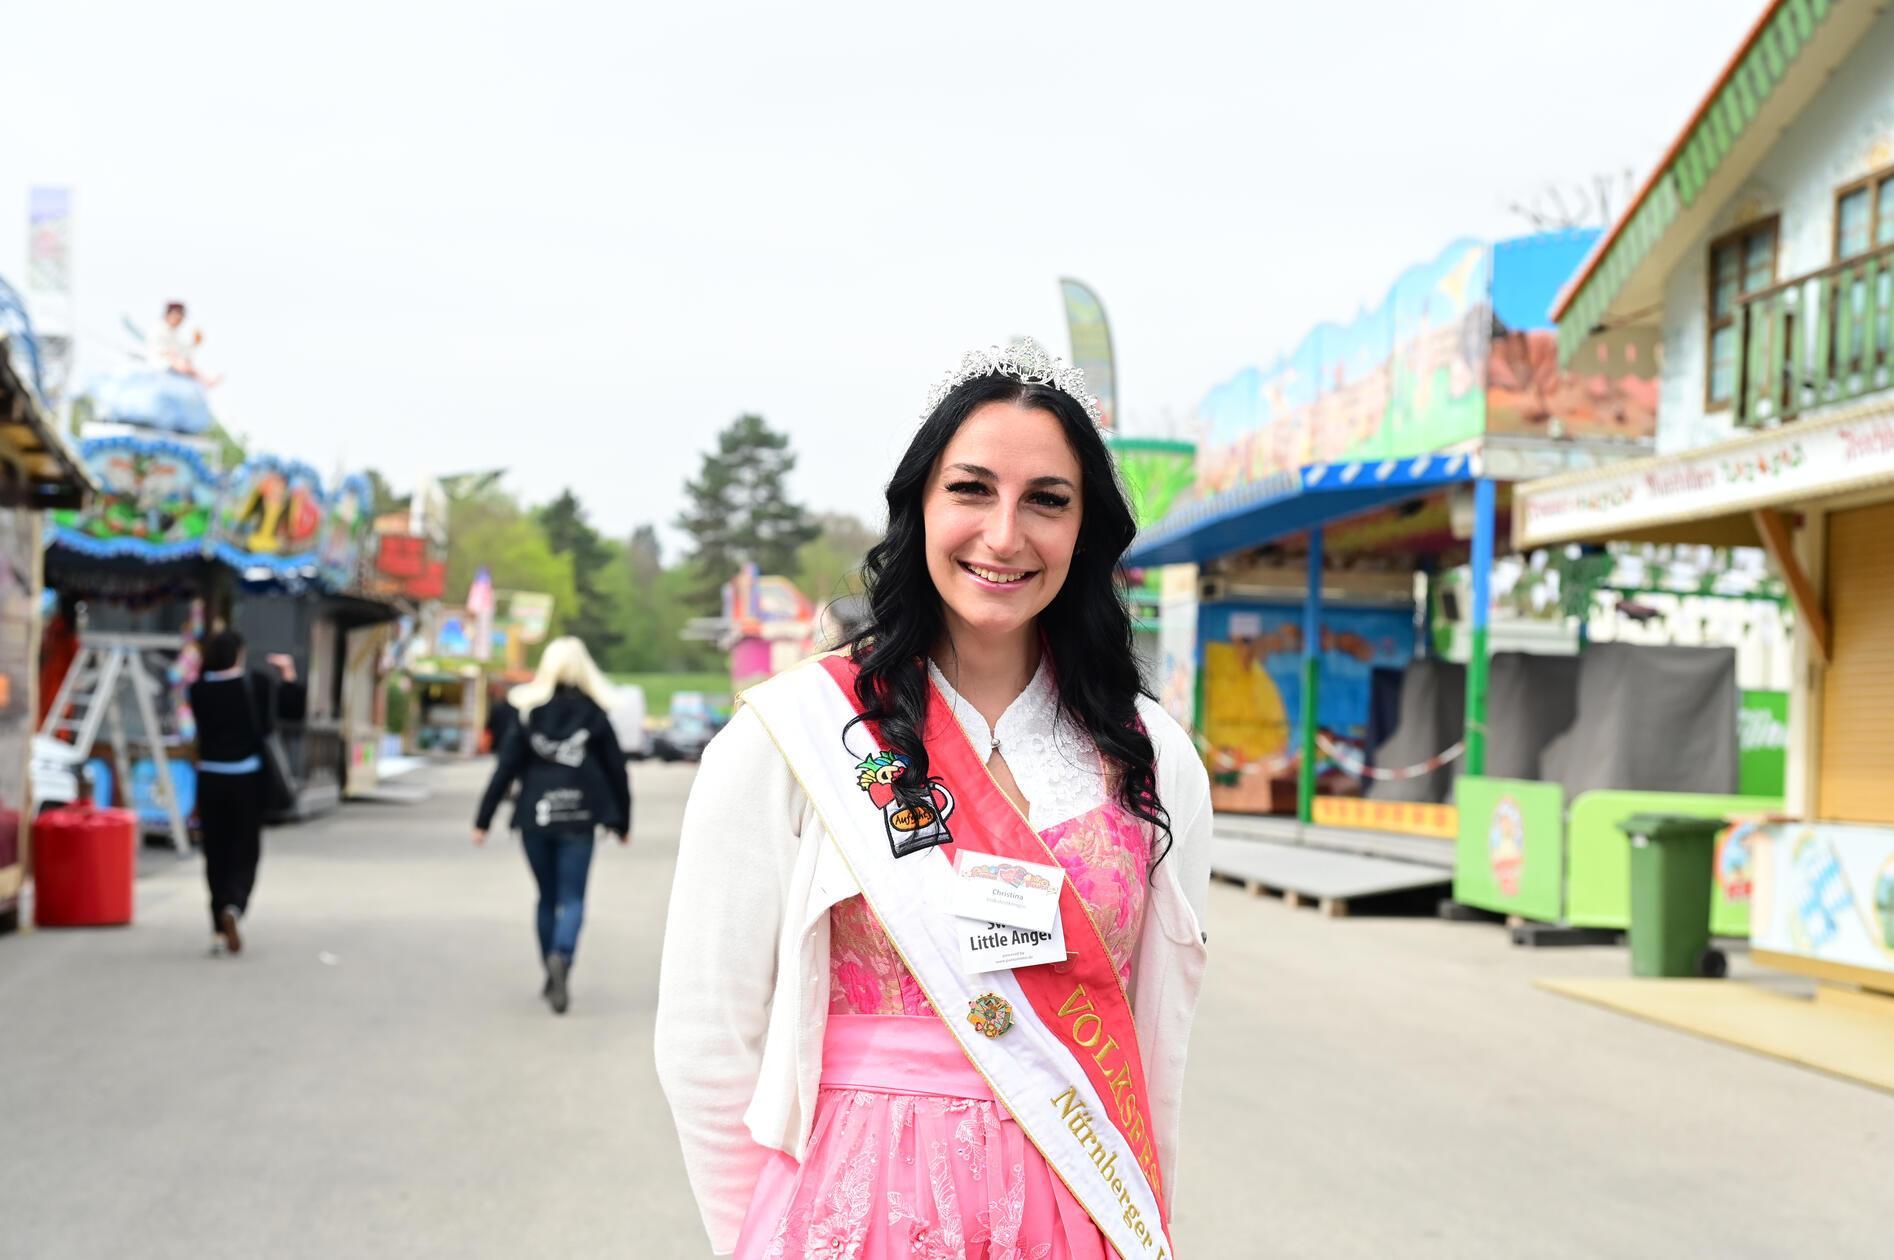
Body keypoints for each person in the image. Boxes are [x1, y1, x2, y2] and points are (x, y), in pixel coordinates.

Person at [655, 339, 1213, 1259]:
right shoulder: (794, 735)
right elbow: (704, 1039)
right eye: (971, 489)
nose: (1005, 534)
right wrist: (757, 1237)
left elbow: (1157, 1049)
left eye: (1047, 499)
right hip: (851, 1217)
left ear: (1088, 530)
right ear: (919, 504)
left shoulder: (1153, 756)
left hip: (1071, 1217)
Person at [473, 637, 631, 1014]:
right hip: (580, 817)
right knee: (573, 897)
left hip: (535, 816)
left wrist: (483, 820)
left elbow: (505, 769)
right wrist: (622, 820)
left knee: (546, 897)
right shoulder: (595, 715)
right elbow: (616, 771)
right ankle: (563, 956)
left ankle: (549, 964)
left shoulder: (528, 714)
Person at [188, 629, 305, 956]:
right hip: (247, 782)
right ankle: (234, 907)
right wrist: (288, 675)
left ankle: (216, 927)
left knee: (216, 853)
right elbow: (293, 712)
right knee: (245, 851)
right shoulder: (257, 684)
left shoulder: (198, 690)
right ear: (239, 653)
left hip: (210, 780)